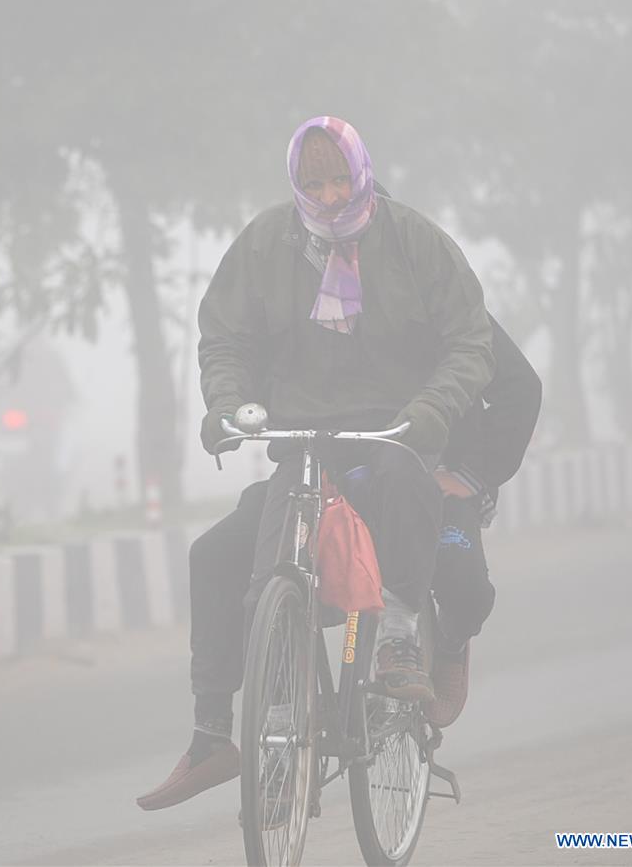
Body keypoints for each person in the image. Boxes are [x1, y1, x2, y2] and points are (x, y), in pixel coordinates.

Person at [137, 115, 496, 808]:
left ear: (361, 173)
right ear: (295, 185)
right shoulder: (265, 244)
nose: (329, 196)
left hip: (392, 434)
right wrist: (226, 404)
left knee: (405, 490)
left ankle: (398, 639)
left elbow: (469, 341)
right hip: (303, 443)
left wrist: (432, 407)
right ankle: (231, 732)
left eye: (338, 179)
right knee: (243, 571)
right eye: (314, 183)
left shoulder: (414, 241)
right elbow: (225, 339)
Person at [137, 310, 540, 810]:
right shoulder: (296, 295)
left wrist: (473, 474)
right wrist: (230, 407)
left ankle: (449, 643)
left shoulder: (433, 289)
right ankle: (214, 734)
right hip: (326, 471)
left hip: (424, 474)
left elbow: (520, 387)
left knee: (465, 587)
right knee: (216, 554)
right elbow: (241, 358)